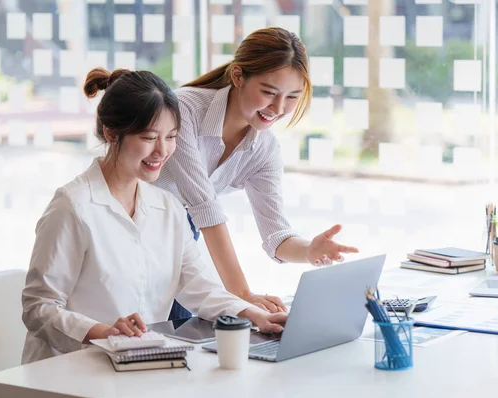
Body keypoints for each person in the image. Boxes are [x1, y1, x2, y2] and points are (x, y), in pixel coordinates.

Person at [21, 67, 287, 364]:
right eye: (149, 138)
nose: (162, 151)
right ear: (111, 133)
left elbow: (200, 287)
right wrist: (104, 332)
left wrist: (257, 316)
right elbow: (39, 307)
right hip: (67, 371)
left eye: (171, 137)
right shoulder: (73, 206)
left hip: (142, 366)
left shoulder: (167, 207)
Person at [155, 27, 359, 316]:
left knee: (181, 334)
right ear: (238, 76)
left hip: (179, 236)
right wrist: (241, 294)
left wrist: (308, 251)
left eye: (292, 97)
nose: (278, 108)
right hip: (124, 224)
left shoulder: (264, 149)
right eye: (268, 92)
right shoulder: (183, 108)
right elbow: (203, 205)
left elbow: (276, 234)